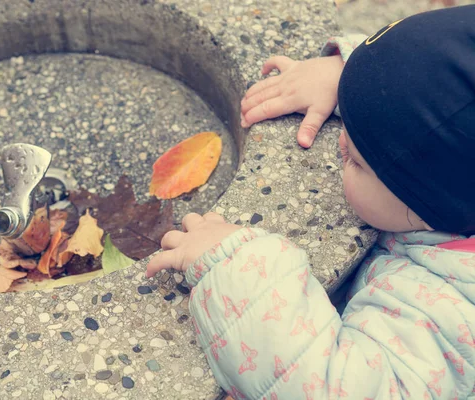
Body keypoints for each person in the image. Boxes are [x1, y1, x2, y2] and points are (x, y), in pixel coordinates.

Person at [146, 5, 475, 399]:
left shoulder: (450, 315)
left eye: (356, 158)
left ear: (429, 208)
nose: (340, 140)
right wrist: (350, 73)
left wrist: (234, 265)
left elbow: (333, 388)